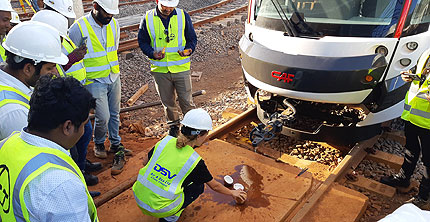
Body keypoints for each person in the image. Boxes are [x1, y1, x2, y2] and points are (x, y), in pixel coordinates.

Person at [0, 75, 98, 221]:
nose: (84, 132)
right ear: (68, 127)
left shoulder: (8, 143)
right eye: (83, 125)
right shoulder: (61, 185)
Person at [132, 108, 247, 222]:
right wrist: (233, 192)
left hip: (138, 197)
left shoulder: (165, 141)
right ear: (199, 136)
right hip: (160, 208)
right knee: (198, 186)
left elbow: (145, 162)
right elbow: (215, 186)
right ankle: (170, 217)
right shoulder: (194, 161)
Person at [31, 10, 101, 187]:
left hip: (66, 98)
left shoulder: (56, 44)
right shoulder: (39, 56)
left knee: (83, 136)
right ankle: (78, 175)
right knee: (72, 146)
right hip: (59, 107)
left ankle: (81, 167)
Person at [69, 0, 132, 175]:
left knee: (114, 113)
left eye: (113, 14)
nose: (110, 17)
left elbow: (114, 48)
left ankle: (115, 142)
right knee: (102, 116)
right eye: (107, 13)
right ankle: (98, 143)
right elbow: (70, 56)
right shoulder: (79, 28)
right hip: (94, 80)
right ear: (95, 7)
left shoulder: (114, 24)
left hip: (113, 75)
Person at [138, 0, 197, 137]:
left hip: (180, 67)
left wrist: (189, 49)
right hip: (160, 70)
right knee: (168, 102)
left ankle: (191, 126)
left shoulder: (183, 16)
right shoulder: (148, 18)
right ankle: (173, 127)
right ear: (157, 2)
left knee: (186, 100)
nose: (168, 9)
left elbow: (192, 38)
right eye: (165, 5)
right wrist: (152, 53)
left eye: (172, 6)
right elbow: (142, 41)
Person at [381, 49, 430, 210]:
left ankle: (424, 197)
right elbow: (419, 74)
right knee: (411, 149)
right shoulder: (427, 52)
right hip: (414, 116)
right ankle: (403, 179)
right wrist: (409, 75)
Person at [0, 21, 66, 140]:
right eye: (50, 68)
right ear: (28, 68)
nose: (56, 73)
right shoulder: (15, 113)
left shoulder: (8, 78)